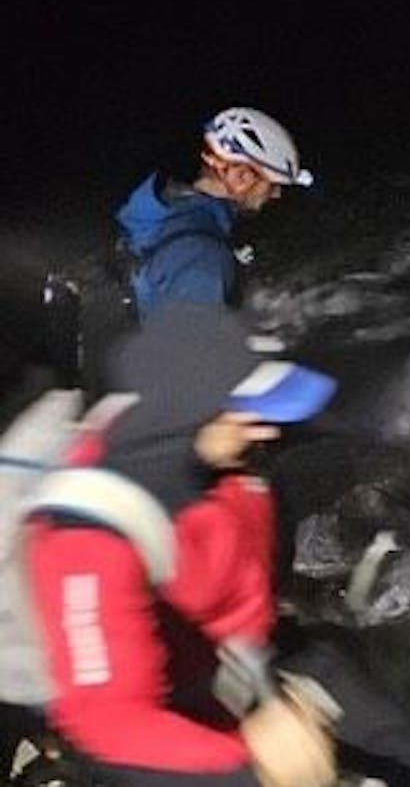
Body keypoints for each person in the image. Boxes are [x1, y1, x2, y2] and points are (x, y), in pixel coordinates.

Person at [23, 304, 339, 786]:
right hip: (163, 713)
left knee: (406, 744)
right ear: (186, 414)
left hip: (247, 658)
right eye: (246, 413)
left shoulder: (223, 460)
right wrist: (254, 765)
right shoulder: (86, 535)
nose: (268, 429)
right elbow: (111, 722)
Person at [116, 106, 314, 321]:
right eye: (273, 184)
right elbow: (191, 348)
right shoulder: (202, 252)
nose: (276, 195)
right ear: (241, 178)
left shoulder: (172, 216)